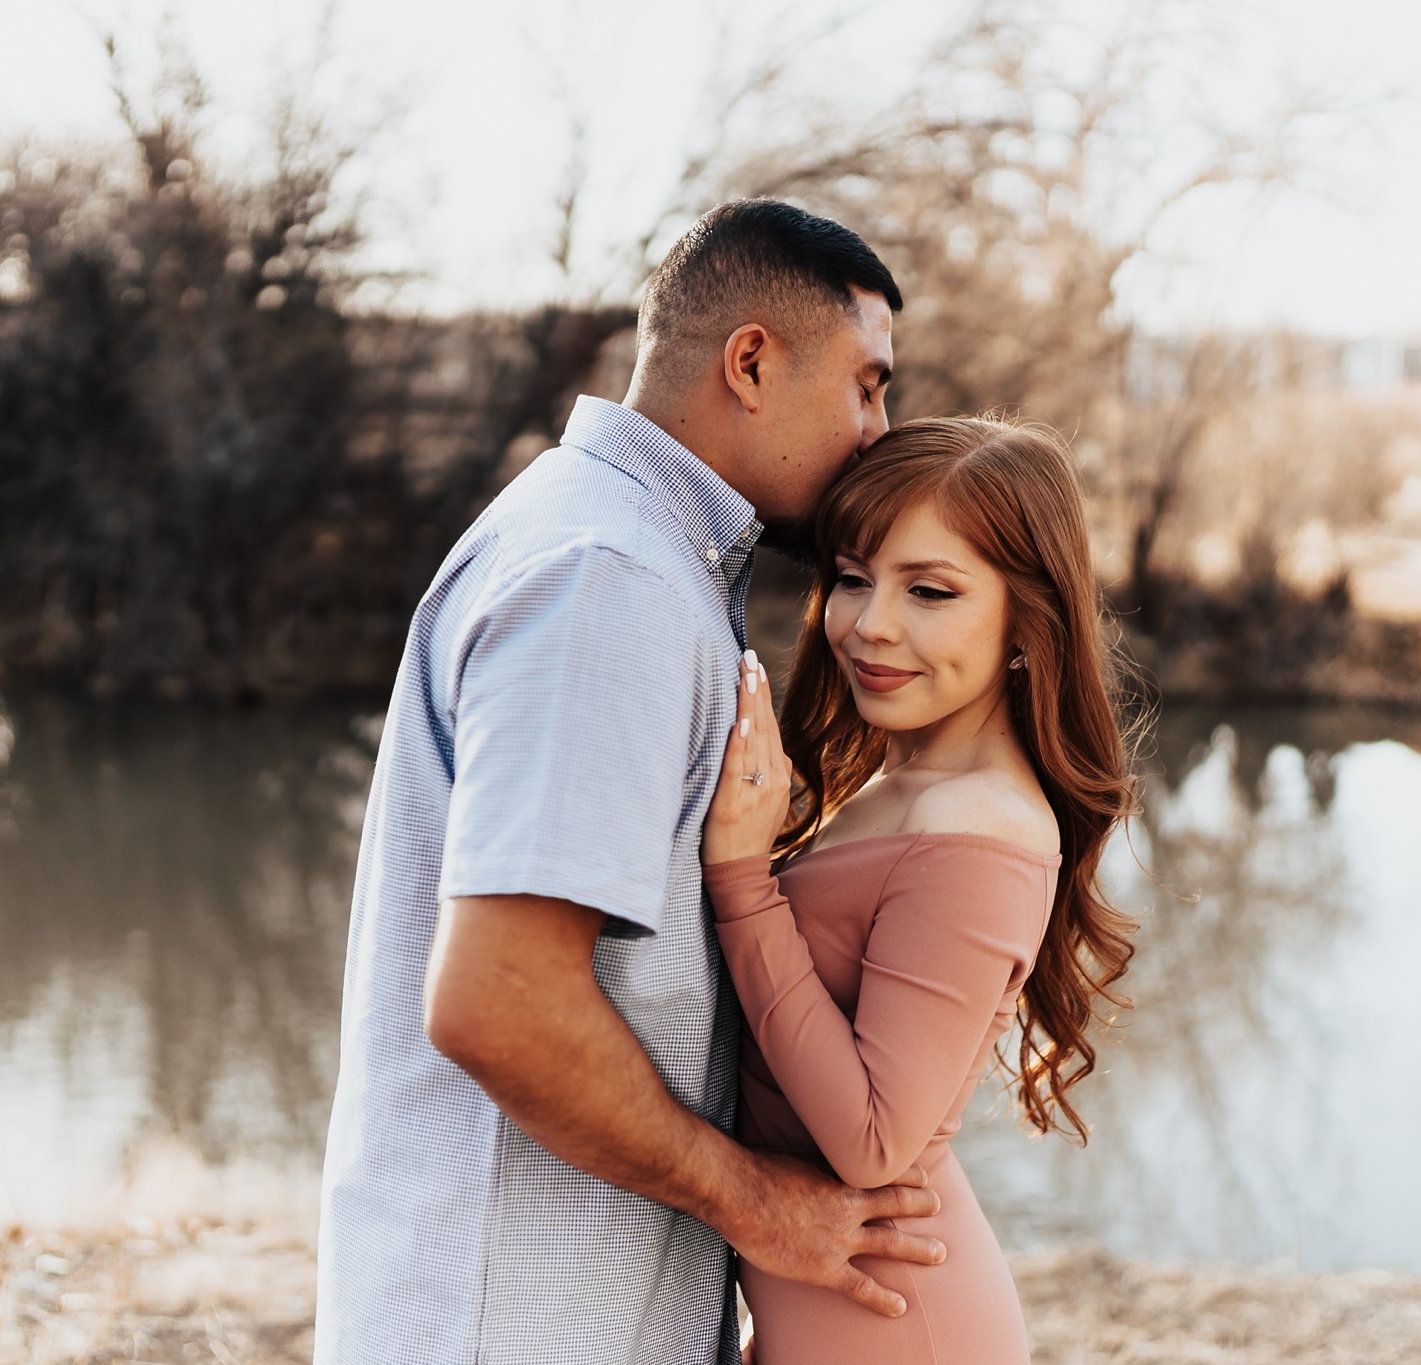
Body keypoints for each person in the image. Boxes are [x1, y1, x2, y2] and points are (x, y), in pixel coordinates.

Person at [315, 200, 948, 1365]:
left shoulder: (627, 551)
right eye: (866, 385)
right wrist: (763, 1206)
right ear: (750, 362)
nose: (878, 429)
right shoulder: (606, 579)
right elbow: (497, 998)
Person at [700, 416, 1140, 1363]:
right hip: (834, 1311)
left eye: (930, 590)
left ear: (1029, 622)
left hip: (899, 1326)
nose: (871, 623)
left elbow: (871, 1139)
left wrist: (741, 882)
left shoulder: (983, 828)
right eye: (855, 577)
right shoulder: (901, 784)